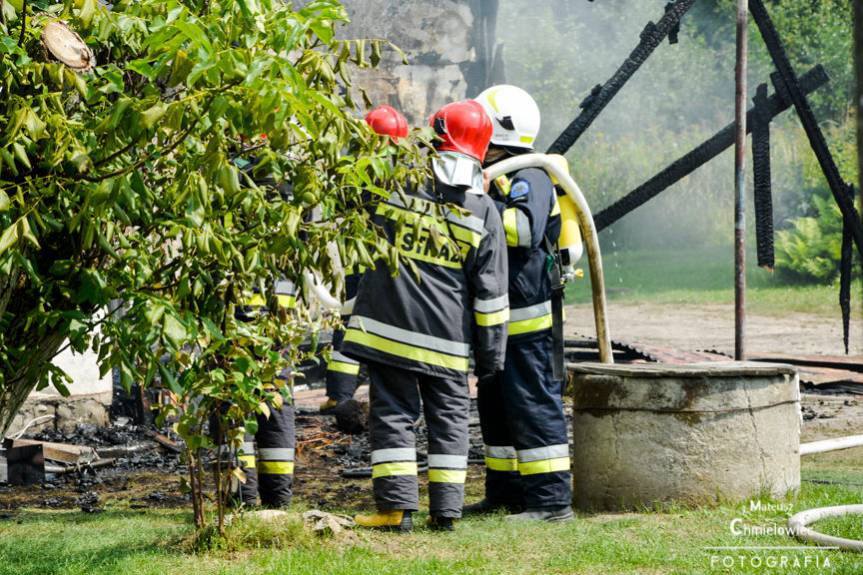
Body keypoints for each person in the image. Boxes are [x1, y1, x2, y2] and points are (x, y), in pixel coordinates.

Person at [342, 100, 509, 532]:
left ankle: (396, 510)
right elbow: (490, 294)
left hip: (388, 333)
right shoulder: (483, 210)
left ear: (434, 136)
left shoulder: (393, 185)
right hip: (449, 342)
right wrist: (490, 359)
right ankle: (446, 512)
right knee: (451, 419)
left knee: (394, 416)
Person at [468, 84, 573, 522]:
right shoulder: (495, 173)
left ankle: (550, 502)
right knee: (495, 406)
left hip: (526, 320)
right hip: (497, 318)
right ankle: (506, 492)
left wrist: (478, 206)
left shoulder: (531, 175)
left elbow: (524, 232)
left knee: (531, 402)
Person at [321, 105, 410, 412]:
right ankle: (387, 394)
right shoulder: (403, 172)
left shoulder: (351, 168)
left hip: (358, 262)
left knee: (349, 324)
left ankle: (339, 395)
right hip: (390, 263)